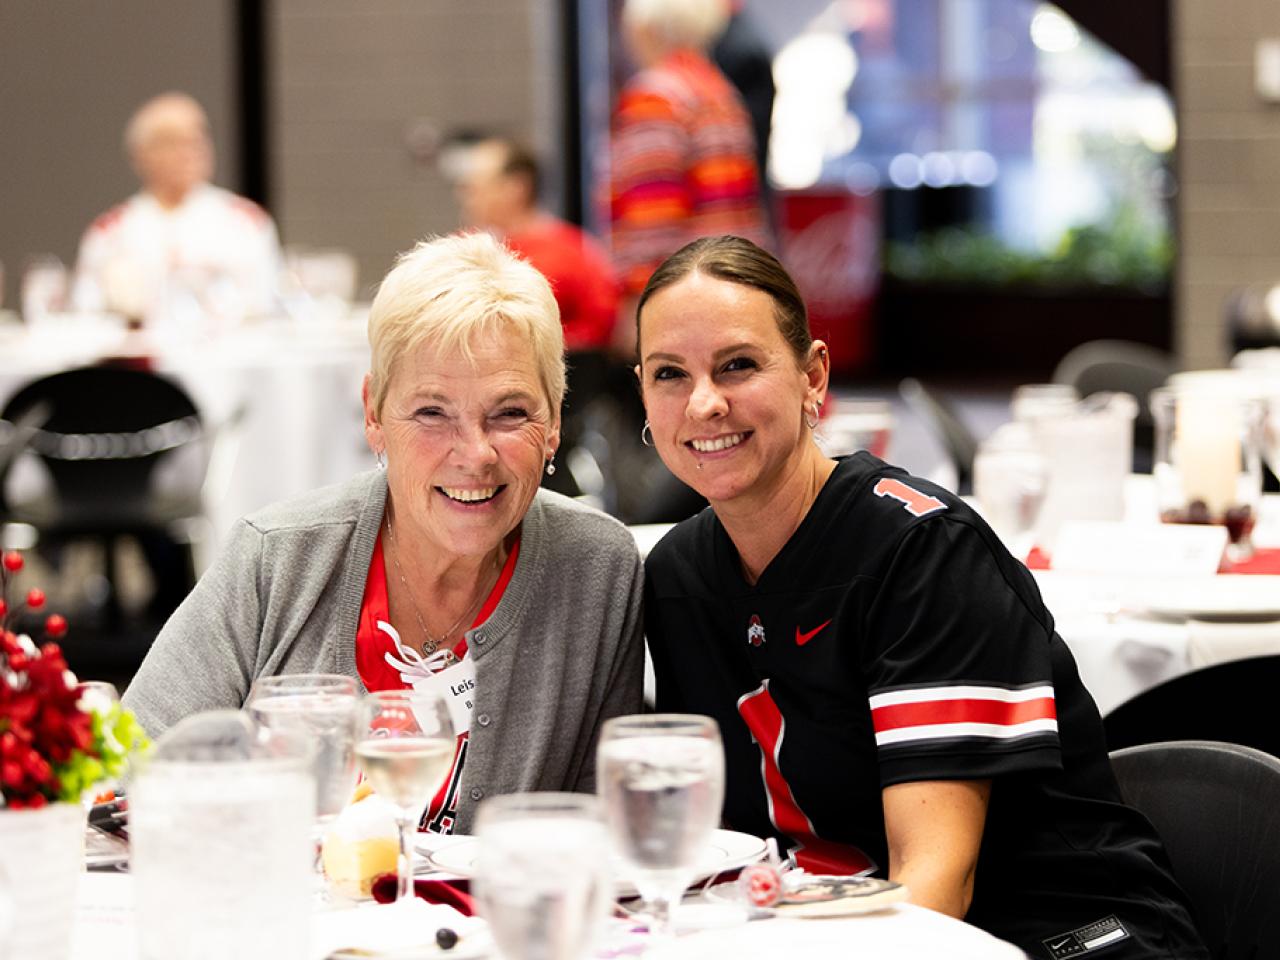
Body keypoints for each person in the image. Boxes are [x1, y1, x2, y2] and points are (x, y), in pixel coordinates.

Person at [636, 235, 1207, 958]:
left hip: (1055, 934)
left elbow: (936, 886)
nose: (705, 403)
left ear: (814, 377)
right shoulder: (679, 574)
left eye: (738, 365)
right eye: (669, 375)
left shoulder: (922, 552)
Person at [123, 231, 645, 833]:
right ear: (373, 414)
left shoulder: (597, 570)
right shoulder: (278, 557)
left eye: (510, 413)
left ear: (554, 420)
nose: (474, 454)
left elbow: (601, 831)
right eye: (431, 413)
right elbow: (132, 772)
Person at [608, 0, 770, 354]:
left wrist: (637, 301)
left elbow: (652, 217)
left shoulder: (655, 95)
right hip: (732, 283)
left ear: (645, 28)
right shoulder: (720, 91)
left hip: (681, 296)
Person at [71, 92, 282, 326]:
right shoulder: (110, 231)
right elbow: (87, 312)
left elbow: (267, 306)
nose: (189, 152)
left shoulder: (245, 222)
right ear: (140, 155)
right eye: (172, 141)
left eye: (197, 139)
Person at [457, 137, 618, 354]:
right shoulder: (460, 249)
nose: (466, 198)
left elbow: (601, 325)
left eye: (475, 188)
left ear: (516, 188)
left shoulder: (572, 250)